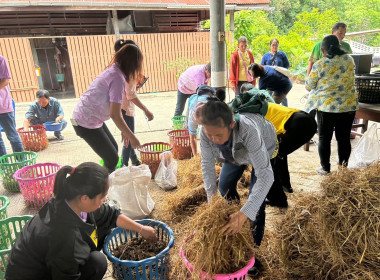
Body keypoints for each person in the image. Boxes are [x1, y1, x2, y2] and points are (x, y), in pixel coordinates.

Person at [6, 162, 157, 280]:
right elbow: (66, 277)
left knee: (104, 231)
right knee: (97, 262)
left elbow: (111, 215)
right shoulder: (64, 235)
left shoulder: (70, 200)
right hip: (33, 275)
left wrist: (142, 229)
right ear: (85, 198)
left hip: (53, 263)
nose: (104, 200)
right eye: (102, 197)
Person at [195, 98, 277, 275]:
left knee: (256, 206)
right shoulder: (207, 131)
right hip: (234, 154)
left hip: (262, 148)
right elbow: (207, 163)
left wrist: (245, 213)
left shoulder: (249, 131)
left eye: (218, 135)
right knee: (224, 186)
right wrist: (212, 198)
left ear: (231, 124)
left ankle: (252, 251)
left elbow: (266, 176)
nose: (214, 140)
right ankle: (233, 225)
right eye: (210, 135)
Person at [240, 83, 317, 207]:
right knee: (279, 154)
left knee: (267, 163)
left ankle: (278, 200)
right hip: (305, 120)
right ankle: (285, 186)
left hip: (296, 125)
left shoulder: (246, 115)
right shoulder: (258, 105)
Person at [72, 43, 143, 173]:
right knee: (111, 158)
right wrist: (132, 137)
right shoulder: (117, 78)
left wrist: (126, 131)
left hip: (90, 118)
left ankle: (105, 184)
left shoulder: (115, 70)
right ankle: (101, 189)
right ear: (133, 64)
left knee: (113, 151)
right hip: (85, 122)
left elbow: (115, 107)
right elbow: (115, 114)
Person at [305, 35, 358, 175]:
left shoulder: (321, 64)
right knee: (344, 138)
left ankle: (325, 169)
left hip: (327, 107)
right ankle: (343, 169)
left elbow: (309, 86)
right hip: (348, 106)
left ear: (323, 50)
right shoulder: (349, 60)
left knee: (324, 138)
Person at [114, 39, 154, 167]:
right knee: (129, 138)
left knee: (127, 135)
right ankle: (123, 166)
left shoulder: (119, 68)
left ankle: (134, 160)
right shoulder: (129, 72)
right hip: (125, 108)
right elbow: (131, 95)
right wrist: (146, 110)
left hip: (119, 106)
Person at [187, 85, 225, 155]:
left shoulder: (215, 111)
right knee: (191, 130)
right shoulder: (192, 116)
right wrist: (195, 156)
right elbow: (192, 137)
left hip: (210, 96)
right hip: (194, 98)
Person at [0, 55, 24, 157]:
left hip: (3, 106)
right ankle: (3, 163)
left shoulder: (1, 59)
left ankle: (22, 163)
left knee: (12, 136)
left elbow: (5, 80)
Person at [261, 38, 290, 106]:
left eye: (276, 45)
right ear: (270, 45)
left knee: (282, 96)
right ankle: (270, 111)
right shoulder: (266, 56)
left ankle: (285, 112)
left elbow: (287, 65)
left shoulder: (282, 54)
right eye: (273, 45)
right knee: (268, 96)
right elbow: (262, 67)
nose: (275, 47)